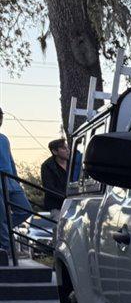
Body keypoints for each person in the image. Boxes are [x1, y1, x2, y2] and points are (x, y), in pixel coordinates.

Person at [0, 106, 33, 252]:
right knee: (1, 217)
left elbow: (11, 160)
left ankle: (3, 230)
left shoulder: (4, 138)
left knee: (25, 210)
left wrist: (17, 181)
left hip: (10, 180)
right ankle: (8, 250)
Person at [40, 137, 70, 212]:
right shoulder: (47, 166)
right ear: (54, 151)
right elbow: (49, 188)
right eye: (64, 148)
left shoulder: (73, 163)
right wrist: (67, 197)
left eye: (67, 148)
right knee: (57, 219)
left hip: (74, 204)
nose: (68, 150)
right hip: (56, 206)